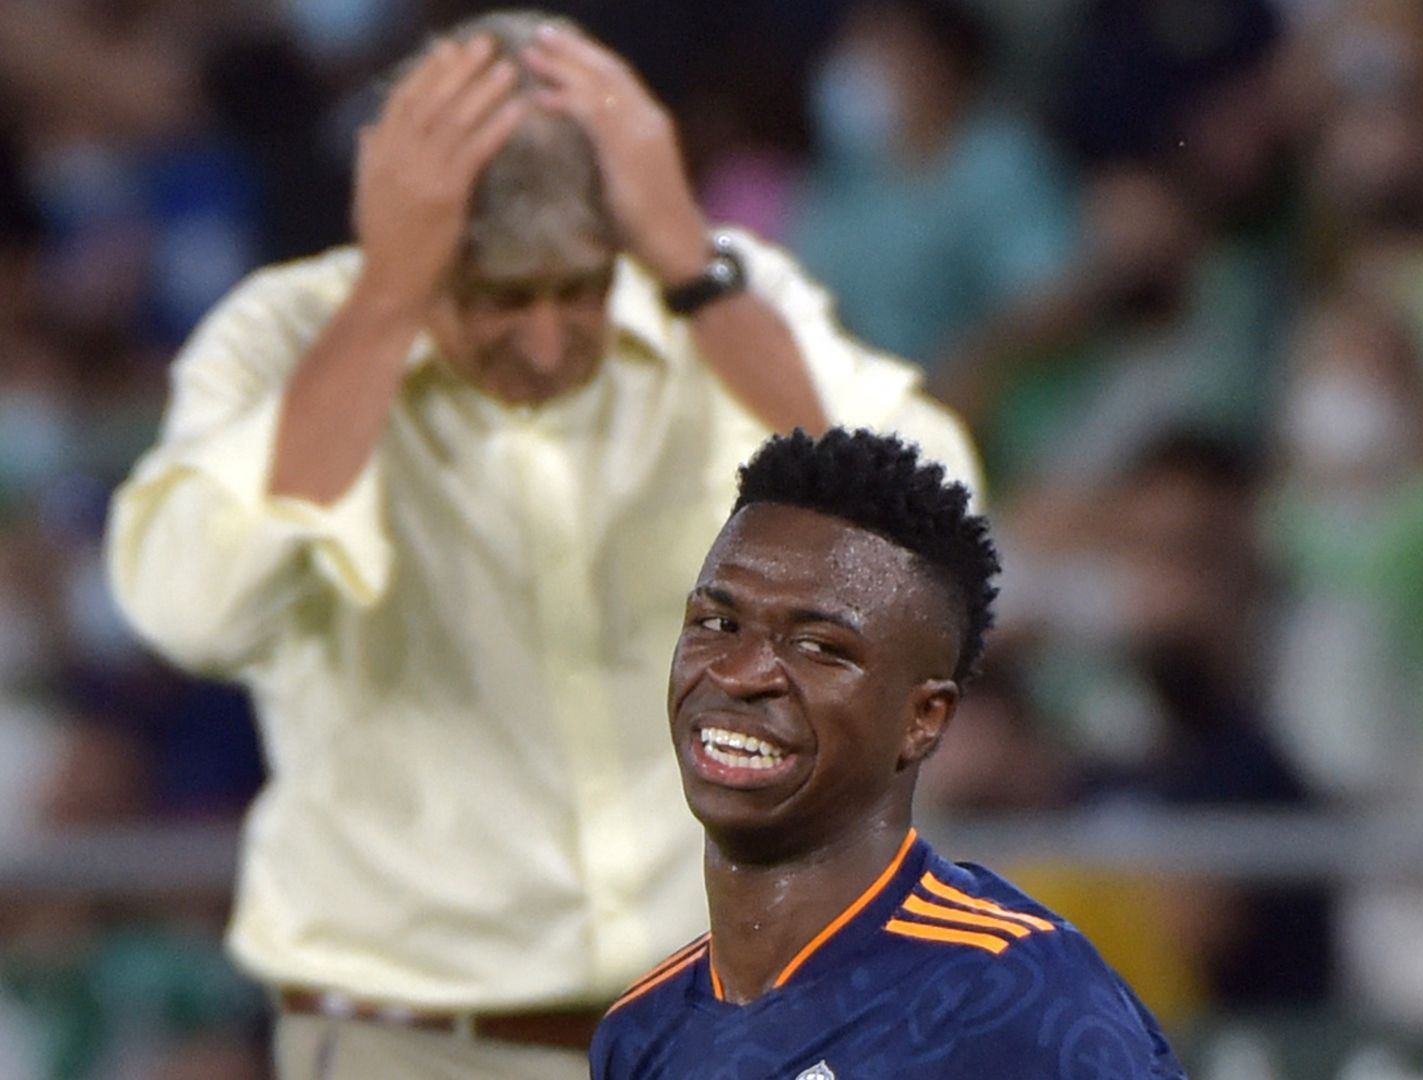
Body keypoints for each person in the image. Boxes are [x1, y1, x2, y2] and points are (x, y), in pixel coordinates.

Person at [104, 11, 978, 1080]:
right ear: (416, 257)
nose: (549, 338)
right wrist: (381, 310)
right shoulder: (287, 335)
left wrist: (688, 268)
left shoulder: (716, 296)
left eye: (580, 289)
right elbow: (190, 607)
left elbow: (933, 534)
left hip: (716, 1034)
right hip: (409, 1043)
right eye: (500, 299)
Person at [591, 428, 1185, 1079]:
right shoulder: (643, 1031)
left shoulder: (1014, 991)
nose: (738, 673)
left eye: (818, 646)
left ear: (923, 719)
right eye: (717, 624)